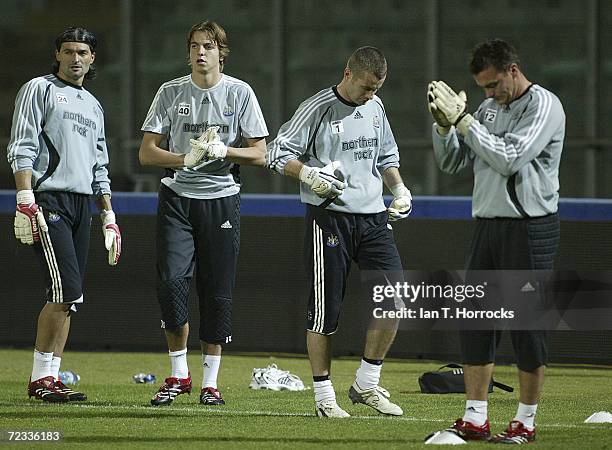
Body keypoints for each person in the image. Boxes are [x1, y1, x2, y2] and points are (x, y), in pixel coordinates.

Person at [427, 38, 564, 443]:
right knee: (476, 323)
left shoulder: (544, 107)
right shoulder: (488, 109)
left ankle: (525, 421)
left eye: (492, 85)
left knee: (526, 327)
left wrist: (465, 122)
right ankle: (475, 418)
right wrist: (443, 127)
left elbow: (510, 158)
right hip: (487, 227)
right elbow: (453, 163)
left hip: (529, 228)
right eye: (483, 88)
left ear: (512, 71)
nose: (488, 94)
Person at [266, 46, 412, 418]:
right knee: (324, 314)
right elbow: (275, 152)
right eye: (366, 87)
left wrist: (398, 189)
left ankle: (366, 383)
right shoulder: (317, 108)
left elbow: (387, 156)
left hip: (374, 219)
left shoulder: (375, 108)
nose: (371, 96)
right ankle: (323, 396)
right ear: (347, 74)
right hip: (329, 218)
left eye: (377, 89)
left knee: (394, 299)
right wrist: (308, 174)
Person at [139, 20, 268, 406]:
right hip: (177, 197)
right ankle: (179, 374)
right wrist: (185, 158)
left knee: (216, 291)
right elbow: (146, 152)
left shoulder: (240, 93)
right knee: (172, 284)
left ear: (221, 53)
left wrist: (222, 152)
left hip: (222, 199)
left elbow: (261, 153)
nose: (200, 53)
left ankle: (210, 383)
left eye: (208, 46)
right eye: (194, 46)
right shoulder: (171, 92)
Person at [7, 27, 121, 403]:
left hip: (82, 205)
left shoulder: (93, 105)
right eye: (69, 51)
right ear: (57, 54)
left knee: (70, 297)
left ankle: (52, 378)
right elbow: (21, 144)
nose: (76, 58)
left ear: (92, 59)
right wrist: (25, 197)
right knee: (63, 290)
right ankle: (40, 379)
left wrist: (108, 215)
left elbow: (100, 164)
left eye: (83, 52)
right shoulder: (38, 88)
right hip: (49, 201)